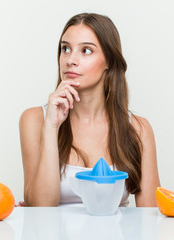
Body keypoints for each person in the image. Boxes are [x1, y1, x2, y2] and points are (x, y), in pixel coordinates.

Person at [19, 13, 160, 207]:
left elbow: (149, 219)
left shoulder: (138, 129)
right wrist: (51, 127)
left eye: (86, 50)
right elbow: (41, 206)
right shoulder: (34, 120)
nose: (71, 60)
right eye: (65, 49)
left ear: (109, 61)